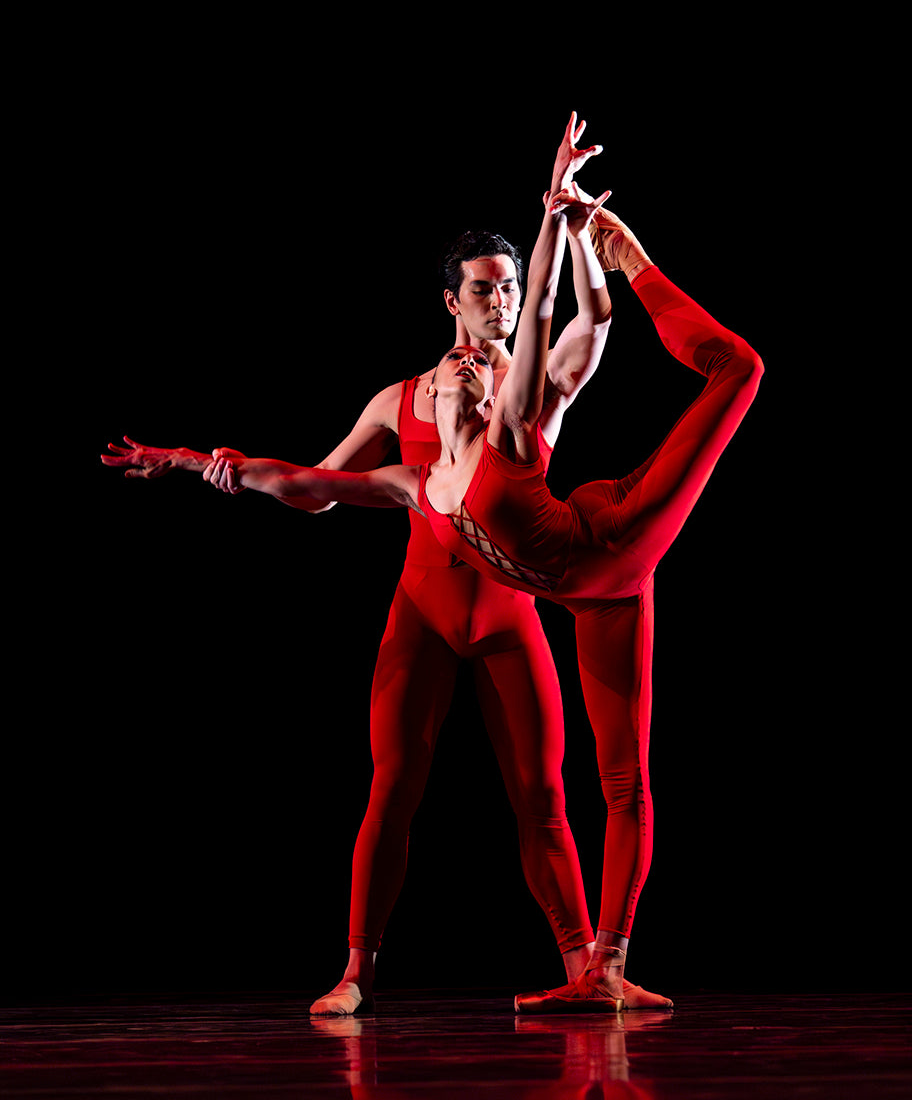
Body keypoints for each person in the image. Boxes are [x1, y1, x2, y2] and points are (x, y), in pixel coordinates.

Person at [107, 122, 762, 1011]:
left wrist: (566, 224)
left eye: (505, 294)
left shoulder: (522, 408)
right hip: (453, 601)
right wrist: (198, 464)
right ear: (448, 305)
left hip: (542, 587)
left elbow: (569, 320)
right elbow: (319, 482)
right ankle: (362, 971)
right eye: (480, 296)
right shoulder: (410, 445)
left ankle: (588, 966)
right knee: (399, 785)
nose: (495, 312)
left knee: (550, 795)